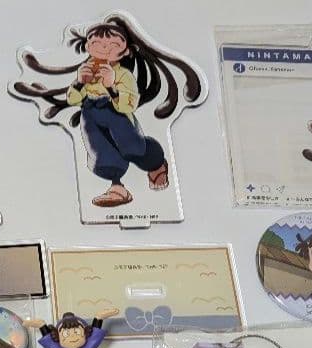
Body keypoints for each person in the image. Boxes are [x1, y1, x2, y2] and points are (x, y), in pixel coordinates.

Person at [14, 15, 203, 208]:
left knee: (132, 147)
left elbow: (128, 105)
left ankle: (156, 164)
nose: (103, 49)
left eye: (112, 45)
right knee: (101, 151)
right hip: (90, 113)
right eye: (95, 43)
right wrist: (79, 82)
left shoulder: (123, 75)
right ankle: (117, 188)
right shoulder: (86, 71)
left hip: (116, 113)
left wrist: (111, 86)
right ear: (88, 47)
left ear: (125, 51)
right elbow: (73, 99)